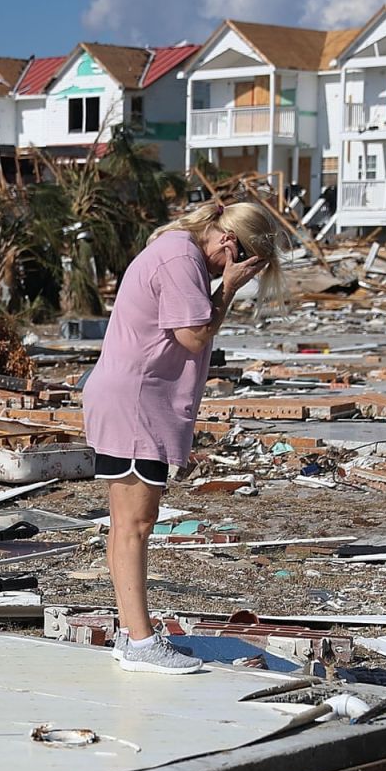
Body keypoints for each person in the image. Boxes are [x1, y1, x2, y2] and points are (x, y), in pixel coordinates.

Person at [82, 200, 284, 674]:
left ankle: (131, 635)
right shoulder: (182, 258)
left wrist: (223, 283)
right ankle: (140, 642)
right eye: (243, 265)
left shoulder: (177, 251)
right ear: (231, 245)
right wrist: (229, 289)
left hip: (131, 398)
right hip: (136, 403)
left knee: (126, 523)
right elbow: (194, 335)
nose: (233, 273)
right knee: (136, 524)